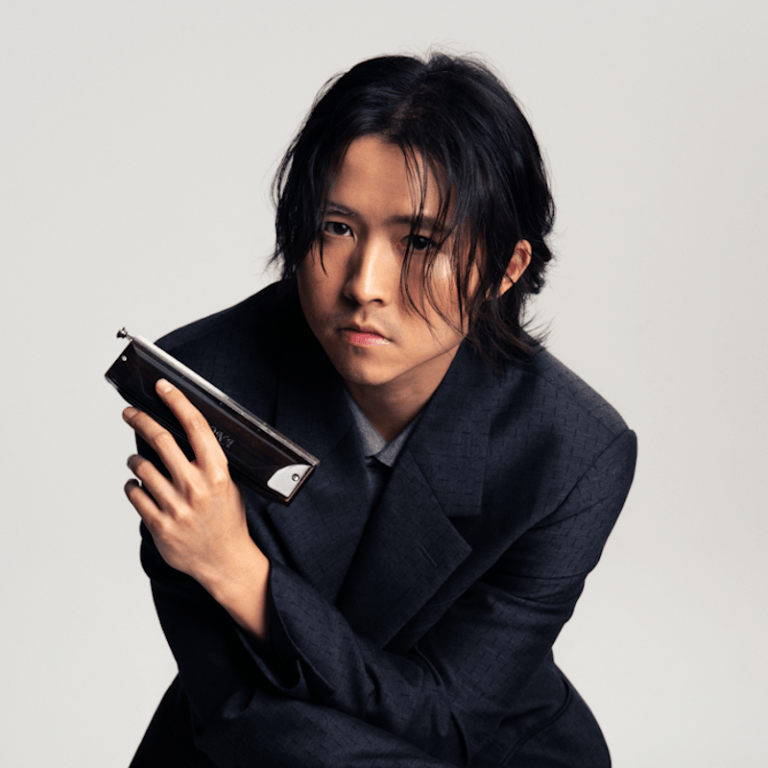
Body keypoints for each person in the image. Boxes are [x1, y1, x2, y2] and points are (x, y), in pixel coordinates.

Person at [123, 52, 637, 767]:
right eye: (337, 227)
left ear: (506, 267)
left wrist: (240, 572)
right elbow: (244, 710)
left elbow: (450, 718)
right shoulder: (202, 387)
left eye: (419, 242)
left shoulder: (570, 450)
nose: (365, 284)